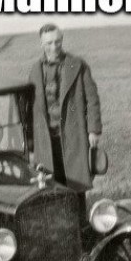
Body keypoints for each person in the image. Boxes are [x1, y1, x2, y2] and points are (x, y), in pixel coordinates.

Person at [28, 24, 102, 190]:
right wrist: (31, 144)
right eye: (49, 43)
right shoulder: (35, 70)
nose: (54, 47)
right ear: (41, 44)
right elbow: (30, 109)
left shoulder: (78, 65)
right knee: (51, 185)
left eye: (57, 41)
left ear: (62, 40)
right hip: (46, 140)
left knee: (76, 182)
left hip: (73, 136)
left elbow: (92, 99)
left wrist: (94, 130)